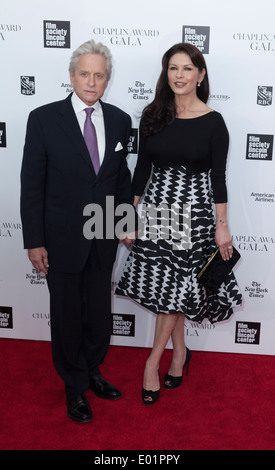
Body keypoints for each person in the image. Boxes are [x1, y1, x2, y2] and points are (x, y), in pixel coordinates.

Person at [116, 43, 242, 405]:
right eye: (173, 68)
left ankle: (152, 363)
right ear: (165, 73)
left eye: (188, 69)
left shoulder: (214, 122)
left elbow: (219, 178)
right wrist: (129, 217)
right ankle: (181, 354)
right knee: (173, 290)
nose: (180, 75)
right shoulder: (154, 114)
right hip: (157, 210)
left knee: (174, 290)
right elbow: (141, 170)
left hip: (196, 213)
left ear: (200, 75)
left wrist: (222, 225)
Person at [20, 39, 134, 423]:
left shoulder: (120, 120)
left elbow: (120, 179)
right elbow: (31, 185)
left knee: (99, 316)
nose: (91, 81)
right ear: (71, 76)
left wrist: (124, 223)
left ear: (107, 80)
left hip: (103, 237)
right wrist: (34, 241)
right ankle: (74, 387)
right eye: (84, 73)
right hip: (61, 238)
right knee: (67, 316)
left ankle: (93, 372)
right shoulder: (43, 119)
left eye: (99, 75)